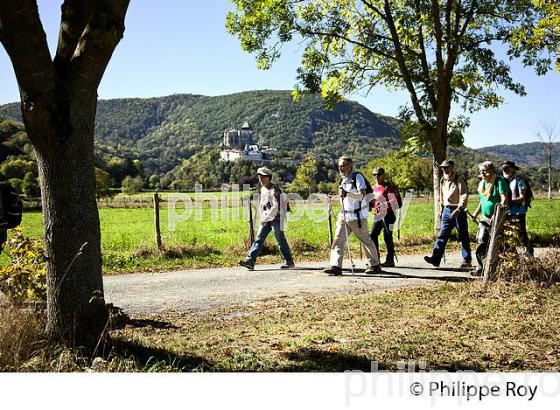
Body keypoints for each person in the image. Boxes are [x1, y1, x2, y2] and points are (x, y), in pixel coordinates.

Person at [324, 156, 382, 276]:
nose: (340, 168)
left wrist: (347, 193)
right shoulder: (342, 180)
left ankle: (375, 265)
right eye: (339, 165)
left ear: (350, 166)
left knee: (365, 241)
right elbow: (343, 197)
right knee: (338, 240)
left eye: (343, 165)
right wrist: (333, 198)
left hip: (358, 217)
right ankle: (335, 266)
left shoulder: (357, 177)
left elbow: (362, 196)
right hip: (344, 215)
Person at [239, 166, 294, 271]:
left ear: (269, 177)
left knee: (280, 240)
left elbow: (275, 207)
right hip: (266, 219)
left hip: (277, 219)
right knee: (258, 240)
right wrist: (262, 217)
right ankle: (250, 261)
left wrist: (266, 218)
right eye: (260, 178)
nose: (261, 180)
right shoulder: (263, 189)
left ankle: (289, 261)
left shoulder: (275, 189)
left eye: (263, 177)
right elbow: (262, 204)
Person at [424, 159, 472, 268]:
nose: (444, 169)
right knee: (442, 235)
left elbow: (464, 196)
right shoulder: (442, 181)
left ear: (452, 167)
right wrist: (441, 210)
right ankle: (436, 259)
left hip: (458, 210)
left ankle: (467, 260)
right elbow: (441, 196)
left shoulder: (459, 180)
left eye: (446, 167)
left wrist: (459, 209)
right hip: (446, 210)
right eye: (443, 167)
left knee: (463, 236)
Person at [470, 161, 510, 275]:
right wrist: (475, 214)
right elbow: (482, 202)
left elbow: (504, 199)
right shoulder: (482, 184)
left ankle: (499, 268)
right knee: (481, 240)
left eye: (485, 171)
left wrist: (497, 214)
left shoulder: (499, 182)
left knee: (497, 244)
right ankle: (481, 268)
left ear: (492, 171)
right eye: (481, 171)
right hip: (484, 218)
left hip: (497, 219)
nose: (482, 173)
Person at [370, 167, 401, 267]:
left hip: (389, 215)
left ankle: (390, 260)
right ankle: (376, 259)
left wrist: (384, 204)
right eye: (374, 175)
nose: (376, 177)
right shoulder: (374, 187)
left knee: (387, 237)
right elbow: (373, 201)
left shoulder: (388, 187)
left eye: (378, 174)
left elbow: (395, 202)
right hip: (378, 215)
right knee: (373, 235)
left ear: (383, 175)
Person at [501, 161, 532, 257]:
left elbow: (522, 197)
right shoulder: (504, 181)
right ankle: (513, 255)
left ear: (513, 169)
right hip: (508, 213)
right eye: (504, 169)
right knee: (509, 235)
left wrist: (510, 201)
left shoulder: (519, 181)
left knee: (521, 233)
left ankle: (528, 254)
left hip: (519, 212)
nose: (505, 170)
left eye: (507, 168)